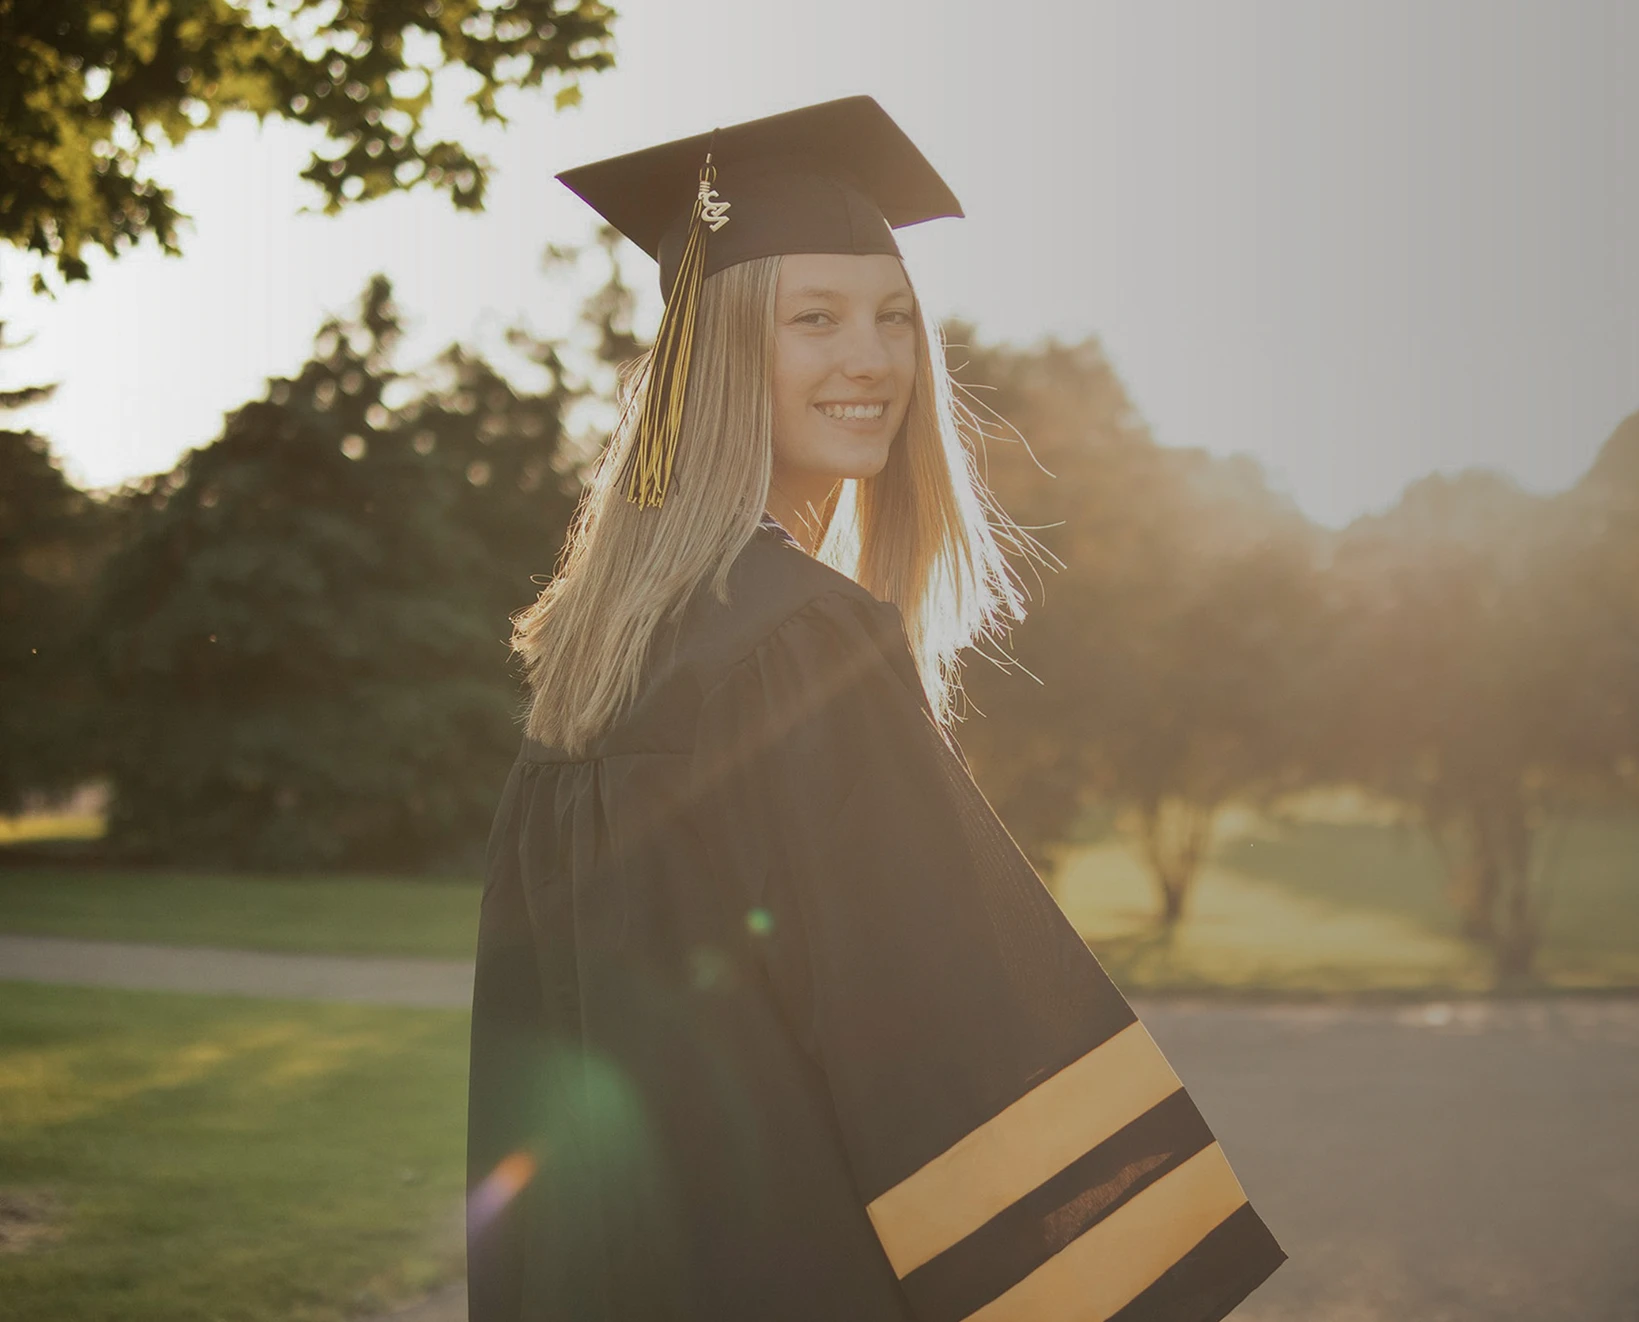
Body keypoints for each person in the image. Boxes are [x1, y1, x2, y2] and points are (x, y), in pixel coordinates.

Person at [467, 95, 1285, 1322]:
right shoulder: (798, 635)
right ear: (722, 350)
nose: (872, 357)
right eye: (814, 318)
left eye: (895, 319)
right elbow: (931, 1015)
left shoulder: (608, 653)